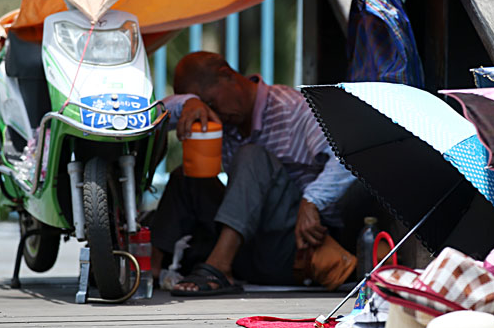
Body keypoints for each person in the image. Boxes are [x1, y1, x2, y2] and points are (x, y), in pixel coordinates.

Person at [152, 51, 356, 296]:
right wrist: (187, 105)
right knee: (185, 176)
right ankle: (150, 270)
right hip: (246, 242)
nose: (209, 113)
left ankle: (219, 268)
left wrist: (312, 201)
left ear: (226, 76)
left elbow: (346, 156)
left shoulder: (291, 107)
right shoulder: (223, 120)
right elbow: (153, 118)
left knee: (252, 156)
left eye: (210, 103)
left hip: (296, 244)